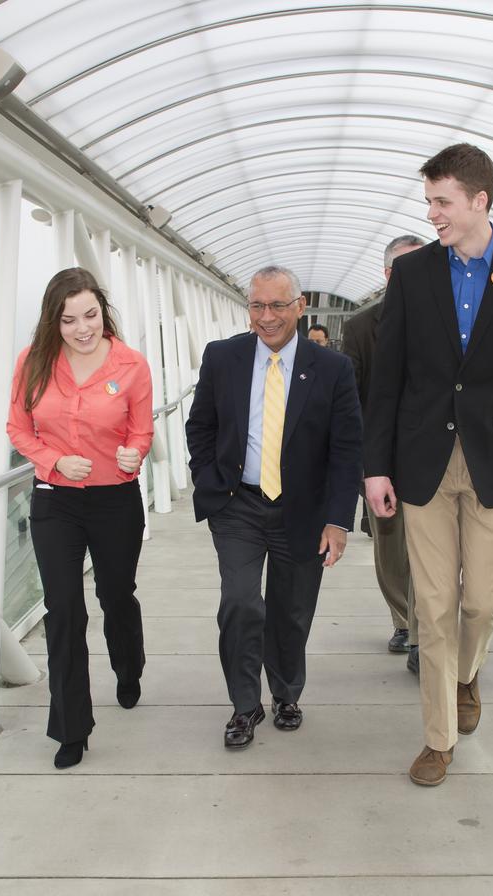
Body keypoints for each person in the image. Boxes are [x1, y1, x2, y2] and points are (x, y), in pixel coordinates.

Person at [364, 144, 493, 787]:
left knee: (483, 600)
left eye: (442, 202)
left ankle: (467, 674)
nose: (433, 215)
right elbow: (386, 378)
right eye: (429, 202)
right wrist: (376, 467)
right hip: (422, 461)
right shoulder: (415, 273)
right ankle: (437, 738)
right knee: (434, 602)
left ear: (480, 201)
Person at [186, 266, 362, 749]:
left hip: (302, 510)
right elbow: (199, 427)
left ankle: (286, 692)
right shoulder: (223, 358)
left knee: (291, 610)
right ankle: (245, 706)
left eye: (277, 306)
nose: (266, 317)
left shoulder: (333, 369)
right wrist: (207, 478)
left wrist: (337, 520)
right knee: (240, 602)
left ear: (299, 306)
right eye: (257, 306)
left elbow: (347, 450)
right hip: (237, 505)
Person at [6, 267, 154, 770]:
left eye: (89, 315)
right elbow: (18, 427)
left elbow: (141, 429)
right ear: (55, 321)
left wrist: (135, 452)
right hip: (56, 500)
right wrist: (52, 461)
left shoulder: (131, 364)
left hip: (115, 499)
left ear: (103, 311)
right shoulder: (32, 362)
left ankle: (128, 668)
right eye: (69, 320)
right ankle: (72, 728)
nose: (82, 328)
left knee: (116, 594)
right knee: (64, 609)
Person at [342, 234, 425, 659]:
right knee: (391, 550)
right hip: (383, 461)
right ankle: (404, 619)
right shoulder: (360, 327)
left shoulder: (450, 320)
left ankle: (420, 634)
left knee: (431, 552)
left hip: (434, 457)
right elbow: (351, 399)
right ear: (389, 274)